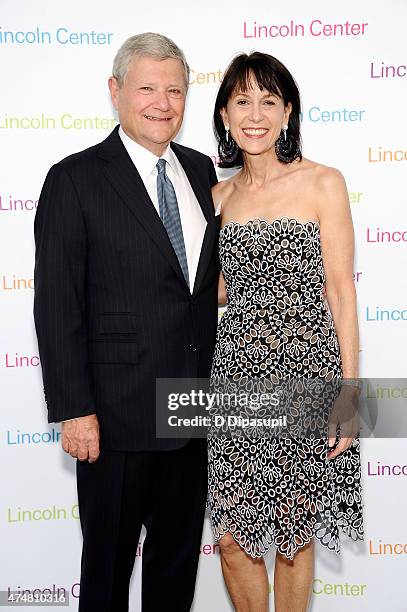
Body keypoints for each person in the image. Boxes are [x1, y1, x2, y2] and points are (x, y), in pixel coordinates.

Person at [33, 32, 219, 612]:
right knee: (108, 573)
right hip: (113, 421)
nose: (162, 103)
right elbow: (57, 303)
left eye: (175, 90)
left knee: (175, 572)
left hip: (193, 415)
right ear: (115, 92)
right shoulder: (76, 178)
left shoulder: (200, 168)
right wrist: (72, 408)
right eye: (147, 89)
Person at [207, 52, 364, 611]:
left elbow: (343, 292)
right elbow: (215, 295)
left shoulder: (323, 182)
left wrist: (349, 395)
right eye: (242, 101)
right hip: (235, 376)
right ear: (224, 113)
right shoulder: (218, 199)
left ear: (288, 111)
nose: (256, 114)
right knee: (231, 539)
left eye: (269, 101)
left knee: (294, 539)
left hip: (307, 372)